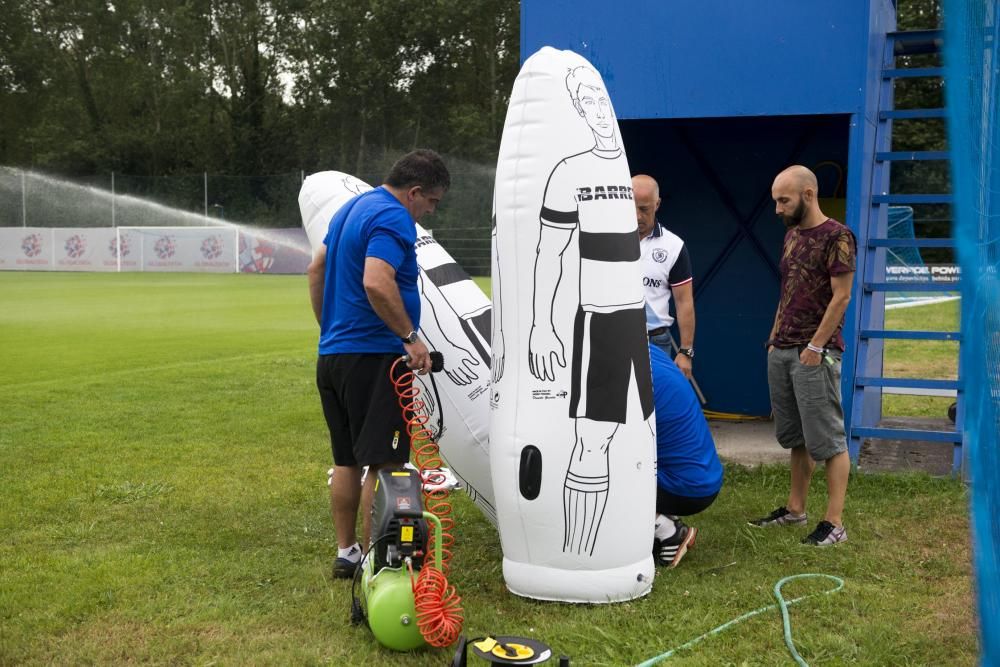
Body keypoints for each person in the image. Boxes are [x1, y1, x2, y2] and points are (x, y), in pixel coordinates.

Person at [526, 65, 654, 556]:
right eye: (590, 104)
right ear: (579, 111)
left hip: (634, 322)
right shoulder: (569, 171)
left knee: (639, 437)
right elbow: (548, 253)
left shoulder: (621, 174)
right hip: (598, 321)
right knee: (593, 440)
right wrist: (541, 325)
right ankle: (577, 556)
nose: (599, 112)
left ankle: (632, 540)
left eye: (603, 103)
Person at [307, 149, 450, 578]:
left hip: (334, 355)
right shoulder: (393, 217)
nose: (430, 213)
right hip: (374, 358)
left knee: (346, 460)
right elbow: (376, 279)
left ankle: (347, 552)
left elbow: (316, 269)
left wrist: (330, 327)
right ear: (415, 192)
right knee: (384, 463)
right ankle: (376, 563)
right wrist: (410, 338)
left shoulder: (351, 207)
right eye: (432, 203)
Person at [749, 165, 855, 547]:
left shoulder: (838, 236)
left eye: (784, 200)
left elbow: (841, 296)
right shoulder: (792, 236)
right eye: (776, 200)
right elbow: (789, 290)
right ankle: (796, 509)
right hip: (782, 348)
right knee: (797, 437)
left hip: (815, 353)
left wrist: (815, 346)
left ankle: (835, 523)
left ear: (808, 194)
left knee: (828, 439)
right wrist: (774, 339)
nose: (777, 208)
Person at [648, 343, 723, 568]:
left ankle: (667, 531)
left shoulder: (630, 372)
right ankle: (657, 523)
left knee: (592, 466)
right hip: (702, 480)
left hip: (686, 489)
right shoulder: (648, 351)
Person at [633, 174, 696, 380]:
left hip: (655, 342)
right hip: (612, 338)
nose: (637, 216)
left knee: (654, 408)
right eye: (631, 207)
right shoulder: (605, 239)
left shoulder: (673, 246)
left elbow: (684, 301)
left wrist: (686, 351)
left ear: (657, 204)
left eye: (644, 209)